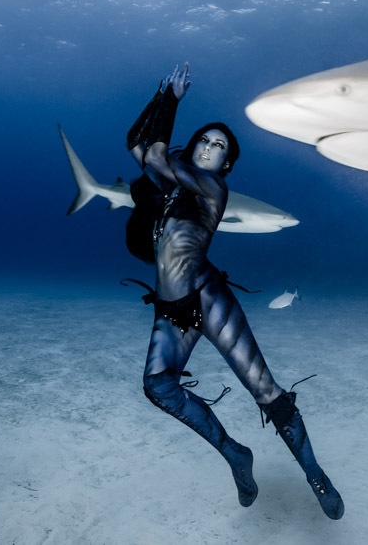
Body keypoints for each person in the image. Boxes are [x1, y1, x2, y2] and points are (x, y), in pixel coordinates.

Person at [124, 62, 344, 519]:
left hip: (208, 296)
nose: (208, 147)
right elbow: (136, 144)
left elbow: (159, 156)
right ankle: (234, 455)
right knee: (157, 387)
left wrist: (175, 103)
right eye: (204, 139)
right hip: (172, 308)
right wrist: (160, 96)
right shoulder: (170, 185)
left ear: (227, 164)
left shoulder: (212, 189)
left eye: (219, 146)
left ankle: (316, 474)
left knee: (266, 392)